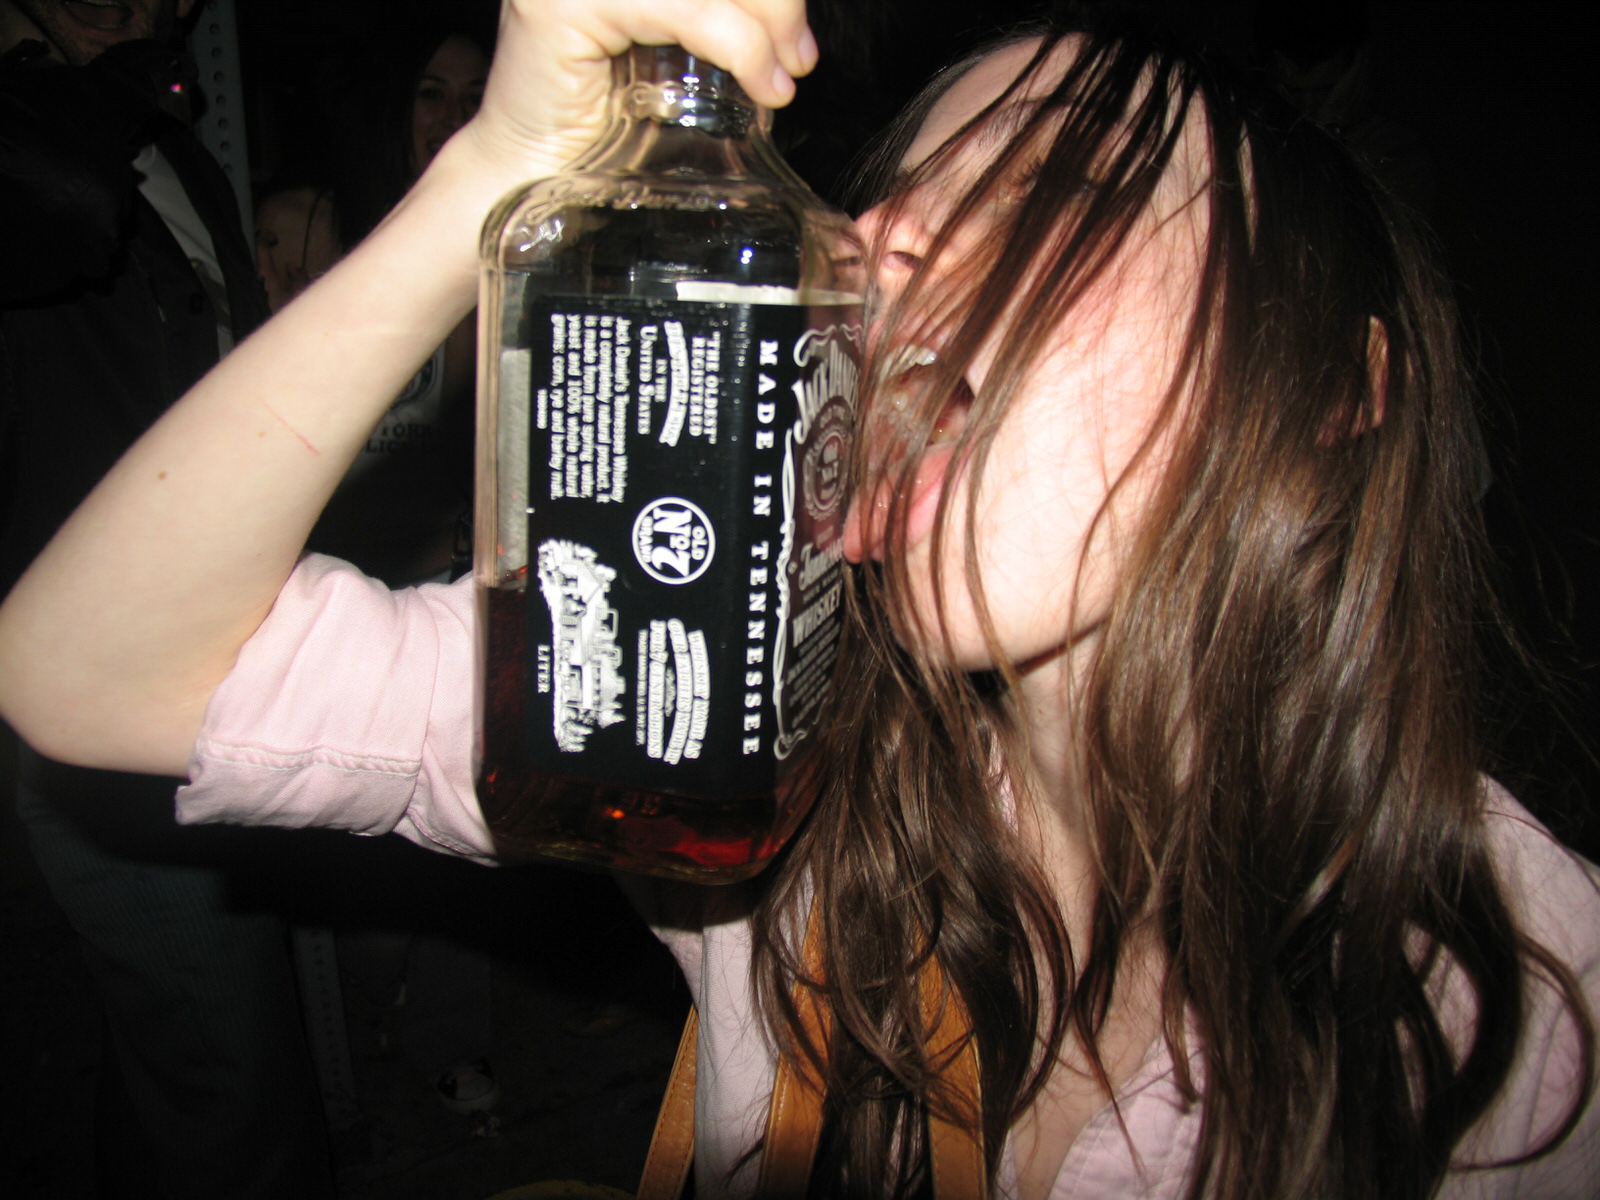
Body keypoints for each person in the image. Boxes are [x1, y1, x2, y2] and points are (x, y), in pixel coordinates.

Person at [0, 1, 1595, 1197]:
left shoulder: (1534, 1028)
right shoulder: (756, 768)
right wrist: (498, 178)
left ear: (1340, 382)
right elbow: (87, 676)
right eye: (901, 191)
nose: (883, 237)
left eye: (1055, 178)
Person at [0, 1, 334, 1195]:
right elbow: (56, 216)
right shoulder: (53, 129)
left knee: (196, 1051)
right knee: (224, 1077)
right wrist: (103, 74)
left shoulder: (175, 149)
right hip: (85, 683)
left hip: (210, 651)